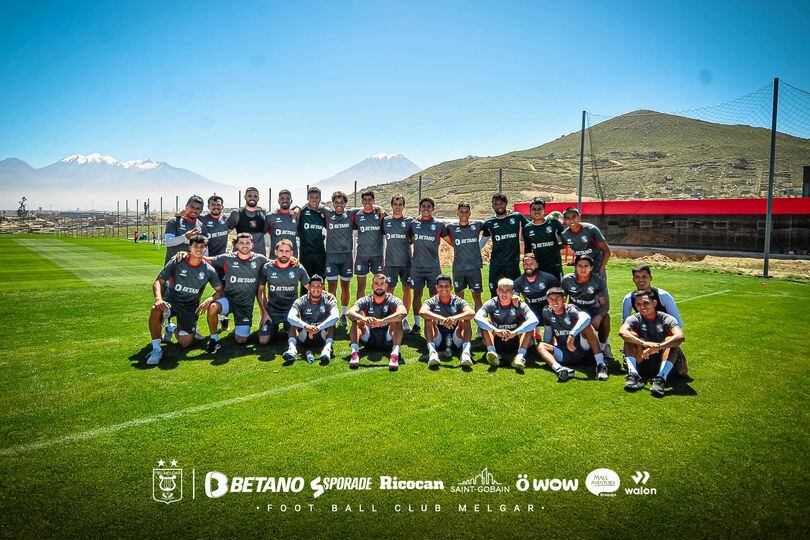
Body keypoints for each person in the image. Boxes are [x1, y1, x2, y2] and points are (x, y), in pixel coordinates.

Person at [146, 235, 223, 365]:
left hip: (189, 307)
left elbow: (220, 290)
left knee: (186, 343)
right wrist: (158, 299)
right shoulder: (177, 261)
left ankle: (170, 327)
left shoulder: (209, 270)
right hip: (171, 302)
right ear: (189, 248)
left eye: (202, 246)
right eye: (195, 246)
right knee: (155, 309)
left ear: (205, 249)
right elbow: (158, 282)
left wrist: (210, 299)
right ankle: (156, 349)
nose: (198, 249)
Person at [202, 233, 267, 353]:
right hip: (229, 300)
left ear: (252, 245)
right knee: (213, 308)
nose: (245, 245)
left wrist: (292, 259)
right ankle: (214, 339)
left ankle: (237, 323)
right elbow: (207, 260)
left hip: (245, 306)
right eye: (241, 243)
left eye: (247, 243)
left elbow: (275, 263)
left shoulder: (260, 259)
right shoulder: (227, 258)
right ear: (237, 245)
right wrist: (186, 254)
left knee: (241, 340)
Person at [621, 264, 687, 376]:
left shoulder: (662, 295)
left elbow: (678, 323)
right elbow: (625, 324)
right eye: (637, 277)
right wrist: (638, 342)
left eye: (644, 276)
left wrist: (663, 344)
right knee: (630, 335)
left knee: (682, 373)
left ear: (651, 278)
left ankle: (670, 361)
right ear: (633, 279)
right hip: (644, 334)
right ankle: (633, 367)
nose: (641, 280)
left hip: (664, 335)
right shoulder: (629, 298)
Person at [618, 290, 685, 397]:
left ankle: (660, 379)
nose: (642, 307)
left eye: (646, 303)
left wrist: (658, 346)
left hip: (662, 359)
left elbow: (680, 336)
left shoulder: (666, 318)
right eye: (638, 304)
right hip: (642, 358)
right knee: (630, 337)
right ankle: (634, 375)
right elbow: (622, 332)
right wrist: (644, 343)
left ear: (654, 303)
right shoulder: (634, 318)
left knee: (671, 341)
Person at [536, 287, 608, 381]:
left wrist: (572, 335)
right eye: (551, 299)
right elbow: (548, 332)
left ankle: (600, 364)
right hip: (564, 353)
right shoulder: (546, 311)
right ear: (548, 301)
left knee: (587, 326)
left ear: (564, 299)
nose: (554, 302)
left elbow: (586, 317)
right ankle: (560, 369)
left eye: (557, 298)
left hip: (582, 349)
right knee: (541, 346)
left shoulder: (571, 309)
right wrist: (548, 351)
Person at [474, 278, 538, 370]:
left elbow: (534, 320)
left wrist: (515, 332)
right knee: (486, 322)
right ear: (497, 291)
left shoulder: (519, 303)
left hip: (516, 339)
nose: (504, 294)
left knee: (528, 325)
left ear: (513, 292)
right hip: (497, 339)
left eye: (507, 290)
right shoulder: (492, 303)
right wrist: (495, 330)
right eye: (501, 290)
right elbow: (477, 317)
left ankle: (519, 357)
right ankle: (492, 353)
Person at [346, 274, 407, 371]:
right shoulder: (366, 300)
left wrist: (382, 321)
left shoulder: (393, 299)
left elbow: (403, 312)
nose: (379, 286)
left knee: (397, 320)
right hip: (369, 337)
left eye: (382, 284)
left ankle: (394, 355)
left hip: (388, 338)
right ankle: (355, 353)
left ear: (386, 286)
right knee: (356, 319)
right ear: (372, 286)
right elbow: (349, 312)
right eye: (376, 283)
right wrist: (364, 318)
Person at [257, 239, 310, 345]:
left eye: (287, 251)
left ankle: (289, 325)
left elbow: (311, 287)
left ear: (291, 253)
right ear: (275, 252)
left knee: (299, 338)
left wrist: (327, 295)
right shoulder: (267, 268)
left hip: (291, 310)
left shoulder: (297, 267)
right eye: (281, 251)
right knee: (263, 341)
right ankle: (273, 326)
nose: (284, 254)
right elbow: (260, 292)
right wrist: (264, 312)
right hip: (272, 310)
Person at [560, 255, 612, 359]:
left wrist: (600, 316)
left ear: (591, 268)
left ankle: (603, 348)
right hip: (575, 312)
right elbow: (562, 300)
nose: (583, 269)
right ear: (575, 266)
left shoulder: (598, 281)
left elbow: (605, 304)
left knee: (606, 318)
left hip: (593, 311)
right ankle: (582, 347)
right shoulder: (567, 280)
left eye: (586, 266)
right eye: (580, 265)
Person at [419, 274, 475, 367]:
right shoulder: (432, 301)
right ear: (436, 288)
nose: (444, 289)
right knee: (428, 319)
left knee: (466, 319)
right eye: (441, 286)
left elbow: (471, 313)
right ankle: (432, 352)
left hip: (456, 337)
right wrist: (442, 319)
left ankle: (465, 353)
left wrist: (454, 318)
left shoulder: (457, 300)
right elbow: (422, 311)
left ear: (451, 287)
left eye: (446, 286)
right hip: (438, 337)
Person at [409, 197, 446, 335]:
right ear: (420, 208)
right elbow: (410, 240)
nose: (426, 208)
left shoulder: (439, 225)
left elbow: (451, 241)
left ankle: (435, 322)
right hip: (417, 267)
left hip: (433, 267)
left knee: (434, 295)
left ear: (433, 208)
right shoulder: (414, 224)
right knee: (417, 294)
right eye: (423, 206)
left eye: (428, 206)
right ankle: (417, 324)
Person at [284, 275, 339, 364]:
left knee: (331, 321)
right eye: (313, 286)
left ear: (323, 288)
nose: (316, 289)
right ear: (309, 287)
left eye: (318, 286)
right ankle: (292, 349)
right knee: (292, 321)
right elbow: (290, 316)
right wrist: (306, 326)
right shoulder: (301, 300)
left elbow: (336, 316)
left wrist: (319, 327)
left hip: (322, 335)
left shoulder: (329, 300)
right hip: (304, 335)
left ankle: (327, 350)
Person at [442, 201, 485, 316]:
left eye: (466, 212)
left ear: (470, 213)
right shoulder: (451, 227)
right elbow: (443, 235)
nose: (464, 214)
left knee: (477, 297)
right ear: (457, 213)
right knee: (459, 298)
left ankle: (480, 326)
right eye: (461, 211)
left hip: (474, 268)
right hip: (458, 268)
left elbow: (488, 230)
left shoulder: (478, 225)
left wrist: (479, 245)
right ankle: (459, 325)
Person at [482, 193, 527, 296]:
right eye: (496, 204)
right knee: (494, 292)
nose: (499, 206)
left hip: (513, 264)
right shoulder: (489, 222)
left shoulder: (517, 217)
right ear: (493, 206)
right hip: (496, 264)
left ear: (506, 203)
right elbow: (483, 241)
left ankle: (516, 312)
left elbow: (530, 229)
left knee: (515, 292)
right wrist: (473, 251)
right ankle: (495, 312)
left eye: (501, 203)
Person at [382, 194, 414, 332]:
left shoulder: (409, 221)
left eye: (400, 204)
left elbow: (413, 239)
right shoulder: (385, 221)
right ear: (391, 205)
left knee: (406, 289)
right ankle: (391, 319)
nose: (397, 207)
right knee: (389, 291)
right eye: (395, 204)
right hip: (391, 262)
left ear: (403, 206)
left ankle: (405, 319)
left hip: (406, 262)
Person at [324, 191, 356, 327]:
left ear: (345, 204)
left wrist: (379, 207)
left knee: (345, 286)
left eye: (341, 202)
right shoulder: (327, 214)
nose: (339, 205)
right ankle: (333, 313)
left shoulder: (350, 214)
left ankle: (343, 314)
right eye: (336, 202)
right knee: (331, 287)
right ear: (332, 204)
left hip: (346, 256)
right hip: (331, 256)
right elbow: (313, 203)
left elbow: (368, 206)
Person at [352, 190, 385, 299]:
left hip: (378, 255)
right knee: (361, 286)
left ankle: (379, 309)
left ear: (373, 201)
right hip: (362, 255)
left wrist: (379, 207)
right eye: (365, 199)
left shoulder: (380, 213)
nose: (367, 202)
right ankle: (360, 312)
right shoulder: (357, 215)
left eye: (370, 200)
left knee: (379, 286)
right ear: (361, 201)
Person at [561, 207, 611, 280]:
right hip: (580, 270)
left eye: (574, 217)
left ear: (579, 217)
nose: (571, 220)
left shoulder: (591, 229)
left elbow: (607, 251)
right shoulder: (565, 235)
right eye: (567, 218)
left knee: (598, 291)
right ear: (564, 220)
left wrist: (602, 268)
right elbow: (580, 252)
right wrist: (574, 262)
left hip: (596, 269)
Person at [522, 198, 565, 279]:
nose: (537, 211)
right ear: (530, 211)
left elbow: (565, 240)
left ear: (544, 210)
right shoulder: (527, 228)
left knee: (558, 290)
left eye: (539, 209)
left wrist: (557, 247)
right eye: (534, 209)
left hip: (555, 265)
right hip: (539, 266)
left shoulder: (554, 223)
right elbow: (528, 248)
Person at [513, 253, 560, 324]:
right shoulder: (518, 282)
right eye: (526, 264)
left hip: (548, 309)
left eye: (531, 264)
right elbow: (515, 297)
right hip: (531, 310)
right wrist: (516, 299)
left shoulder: (549, 278)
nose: (528, 266)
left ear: (536, 265)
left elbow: (559, 295)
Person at [297, 186, 327, 285]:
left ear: (320, 198)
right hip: (306, 254)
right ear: (307, 198)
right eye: (312, 197)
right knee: (305, 283)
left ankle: (322, 301)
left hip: (320, 254)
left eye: (316, 197)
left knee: (320, 283)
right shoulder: (301, 212)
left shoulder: (323, 214)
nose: (314, 199)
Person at [227, 187, 268, 256]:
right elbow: (226, 233)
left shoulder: (263, 213)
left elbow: (265, 231)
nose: (252, 198)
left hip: (259, 256)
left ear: (258, 198)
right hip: (241, 255)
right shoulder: (237, 213)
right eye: (249, 196)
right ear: (245, 197)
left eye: (255, 196)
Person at [163, 195, 204, 263]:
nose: (194, 210)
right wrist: (185, 237)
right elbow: (168, 242)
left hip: (192, 270)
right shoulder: (174, 221)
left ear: (201, 210)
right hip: (173, 269)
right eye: (192, 207)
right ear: (186, 207)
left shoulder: (201, 226)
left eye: (197, 208)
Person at [267, 189, 299, 258]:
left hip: (292, 259)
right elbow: (261, 233)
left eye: (287, 198)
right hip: (275, 259)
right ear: (278, 201)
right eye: (282, 198)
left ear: (291, 201)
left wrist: (298, 208)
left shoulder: (296, 217)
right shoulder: (270, 216)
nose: (285, 200)